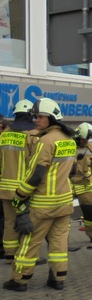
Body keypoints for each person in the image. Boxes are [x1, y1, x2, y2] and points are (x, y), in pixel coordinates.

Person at [4, 98, 76, 292]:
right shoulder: (69, 140)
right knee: (59, 242)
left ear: (51, 119)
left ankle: (19, 280)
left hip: (44, 203)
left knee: (30, 241)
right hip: (65, 202)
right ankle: (57, 279)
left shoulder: (45, 141)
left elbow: (36, 174)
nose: (36, 120)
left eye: (40, 116)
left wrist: (19, 195)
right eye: (36, 116)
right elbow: (73, 170)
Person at [0, 100, 38, 263]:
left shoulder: (5, 134)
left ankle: (10, 254)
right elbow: (35, 162)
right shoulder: (31, 135)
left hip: (5, 189)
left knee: (9, 221)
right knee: (26, 222)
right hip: (24, 189)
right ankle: (24, 256)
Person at [71, 123, 92, 243]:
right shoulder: (69, 145)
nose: (86, 141)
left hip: (85, 184)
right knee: (63, 213)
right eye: (84, 138)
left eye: (88, 139)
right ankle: (61, 240)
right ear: (78, 136)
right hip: (69, 184)